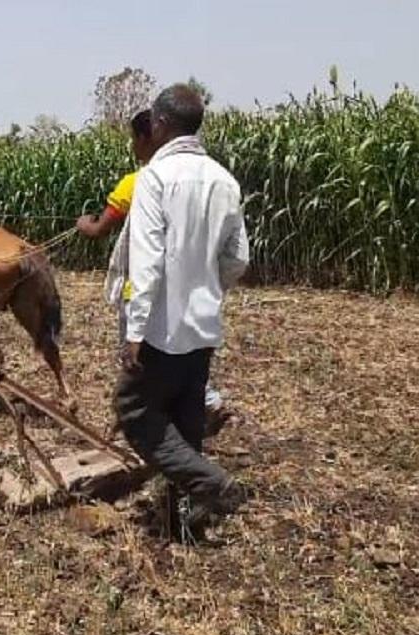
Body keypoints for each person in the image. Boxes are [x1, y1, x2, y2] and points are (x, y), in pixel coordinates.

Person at [113, 83, 251, 533]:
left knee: (135, 414)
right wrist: (207, 287)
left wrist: (135, 331)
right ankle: (181, 520)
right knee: (186, 423)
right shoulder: (223, 179)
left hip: (161, 328)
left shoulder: (155, 177)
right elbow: (238, 258)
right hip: (203, 325)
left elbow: (147, 258)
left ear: (161, 124)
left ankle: (212, 485)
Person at [76, 110, 228, 440]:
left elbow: (101, 227)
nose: (133, 146)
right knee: (184, 355)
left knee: (136, 357)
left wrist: (82, 224)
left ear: (148, 139)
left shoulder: (139, 182)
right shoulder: (210, 179)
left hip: (141, 290)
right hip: (189, 290)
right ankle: (208, 401)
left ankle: (136, 422)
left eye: (134, 139)